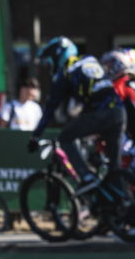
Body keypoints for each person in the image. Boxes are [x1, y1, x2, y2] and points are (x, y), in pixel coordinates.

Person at [29, 36, 126, 192]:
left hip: (101, 114)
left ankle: (86, 177)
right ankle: (121, 206)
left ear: (57, 55)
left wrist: (35, 136)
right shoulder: (90, 59)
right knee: (114, 165)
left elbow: (50, 108)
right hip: (119, 112)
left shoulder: (66, 71)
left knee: (65, 137)